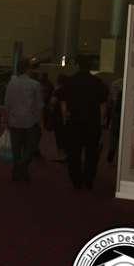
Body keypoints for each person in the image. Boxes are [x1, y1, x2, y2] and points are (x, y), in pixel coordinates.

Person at [60, 54, 108, 190]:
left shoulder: (70, 81)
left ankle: (76, 180)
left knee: (74, 152)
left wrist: (66, 118)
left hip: (74, 121)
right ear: (91, 66)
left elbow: (63, 103)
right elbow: (103, 105)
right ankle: (88, 177)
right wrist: (101, 120)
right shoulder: (97, 82)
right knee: (92, 152)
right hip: (92, 122)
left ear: (78, 65)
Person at [1, 60, 44, 182]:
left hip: (15, 120)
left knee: (16, 147)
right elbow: (39, 105)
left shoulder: (11, 85)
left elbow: (7, 105)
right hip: (30, 119)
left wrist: (5, 121)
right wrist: (41, 121)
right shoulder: (35, 84)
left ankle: (16, 172)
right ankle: (23, 162)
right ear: (28, 69)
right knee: (32, 145)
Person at [49, 73, 69, 162]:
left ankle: (61, 155)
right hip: (68, 114)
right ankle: (67, 154)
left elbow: (52, 102)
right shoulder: (70, 90)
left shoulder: (58, 91)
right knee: (67, 135)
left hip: (58, 115)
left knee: (59, 135)